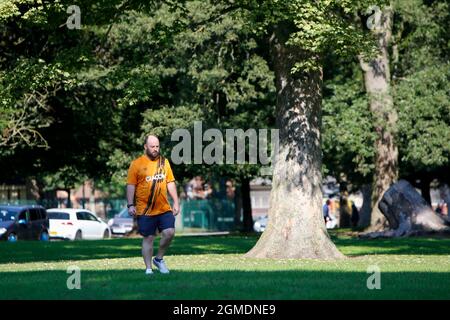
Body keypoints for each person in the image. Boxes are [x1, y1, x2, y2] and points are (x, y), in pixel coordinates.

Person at [126, 134, 180, 275]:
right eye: (152, 146)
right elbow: (131, 185)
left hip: (163, 208)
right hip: (145, 210)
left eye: (157, 146)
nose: (155, 149)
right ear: (145, 147)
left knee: (169, 232)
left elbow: (170, 182)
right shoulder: (136, 164)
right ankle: (149, 269)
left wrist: (176, 201)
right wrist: (130, 205)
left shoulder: (164, 162)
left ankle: (159, 259)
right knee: (148, 238)